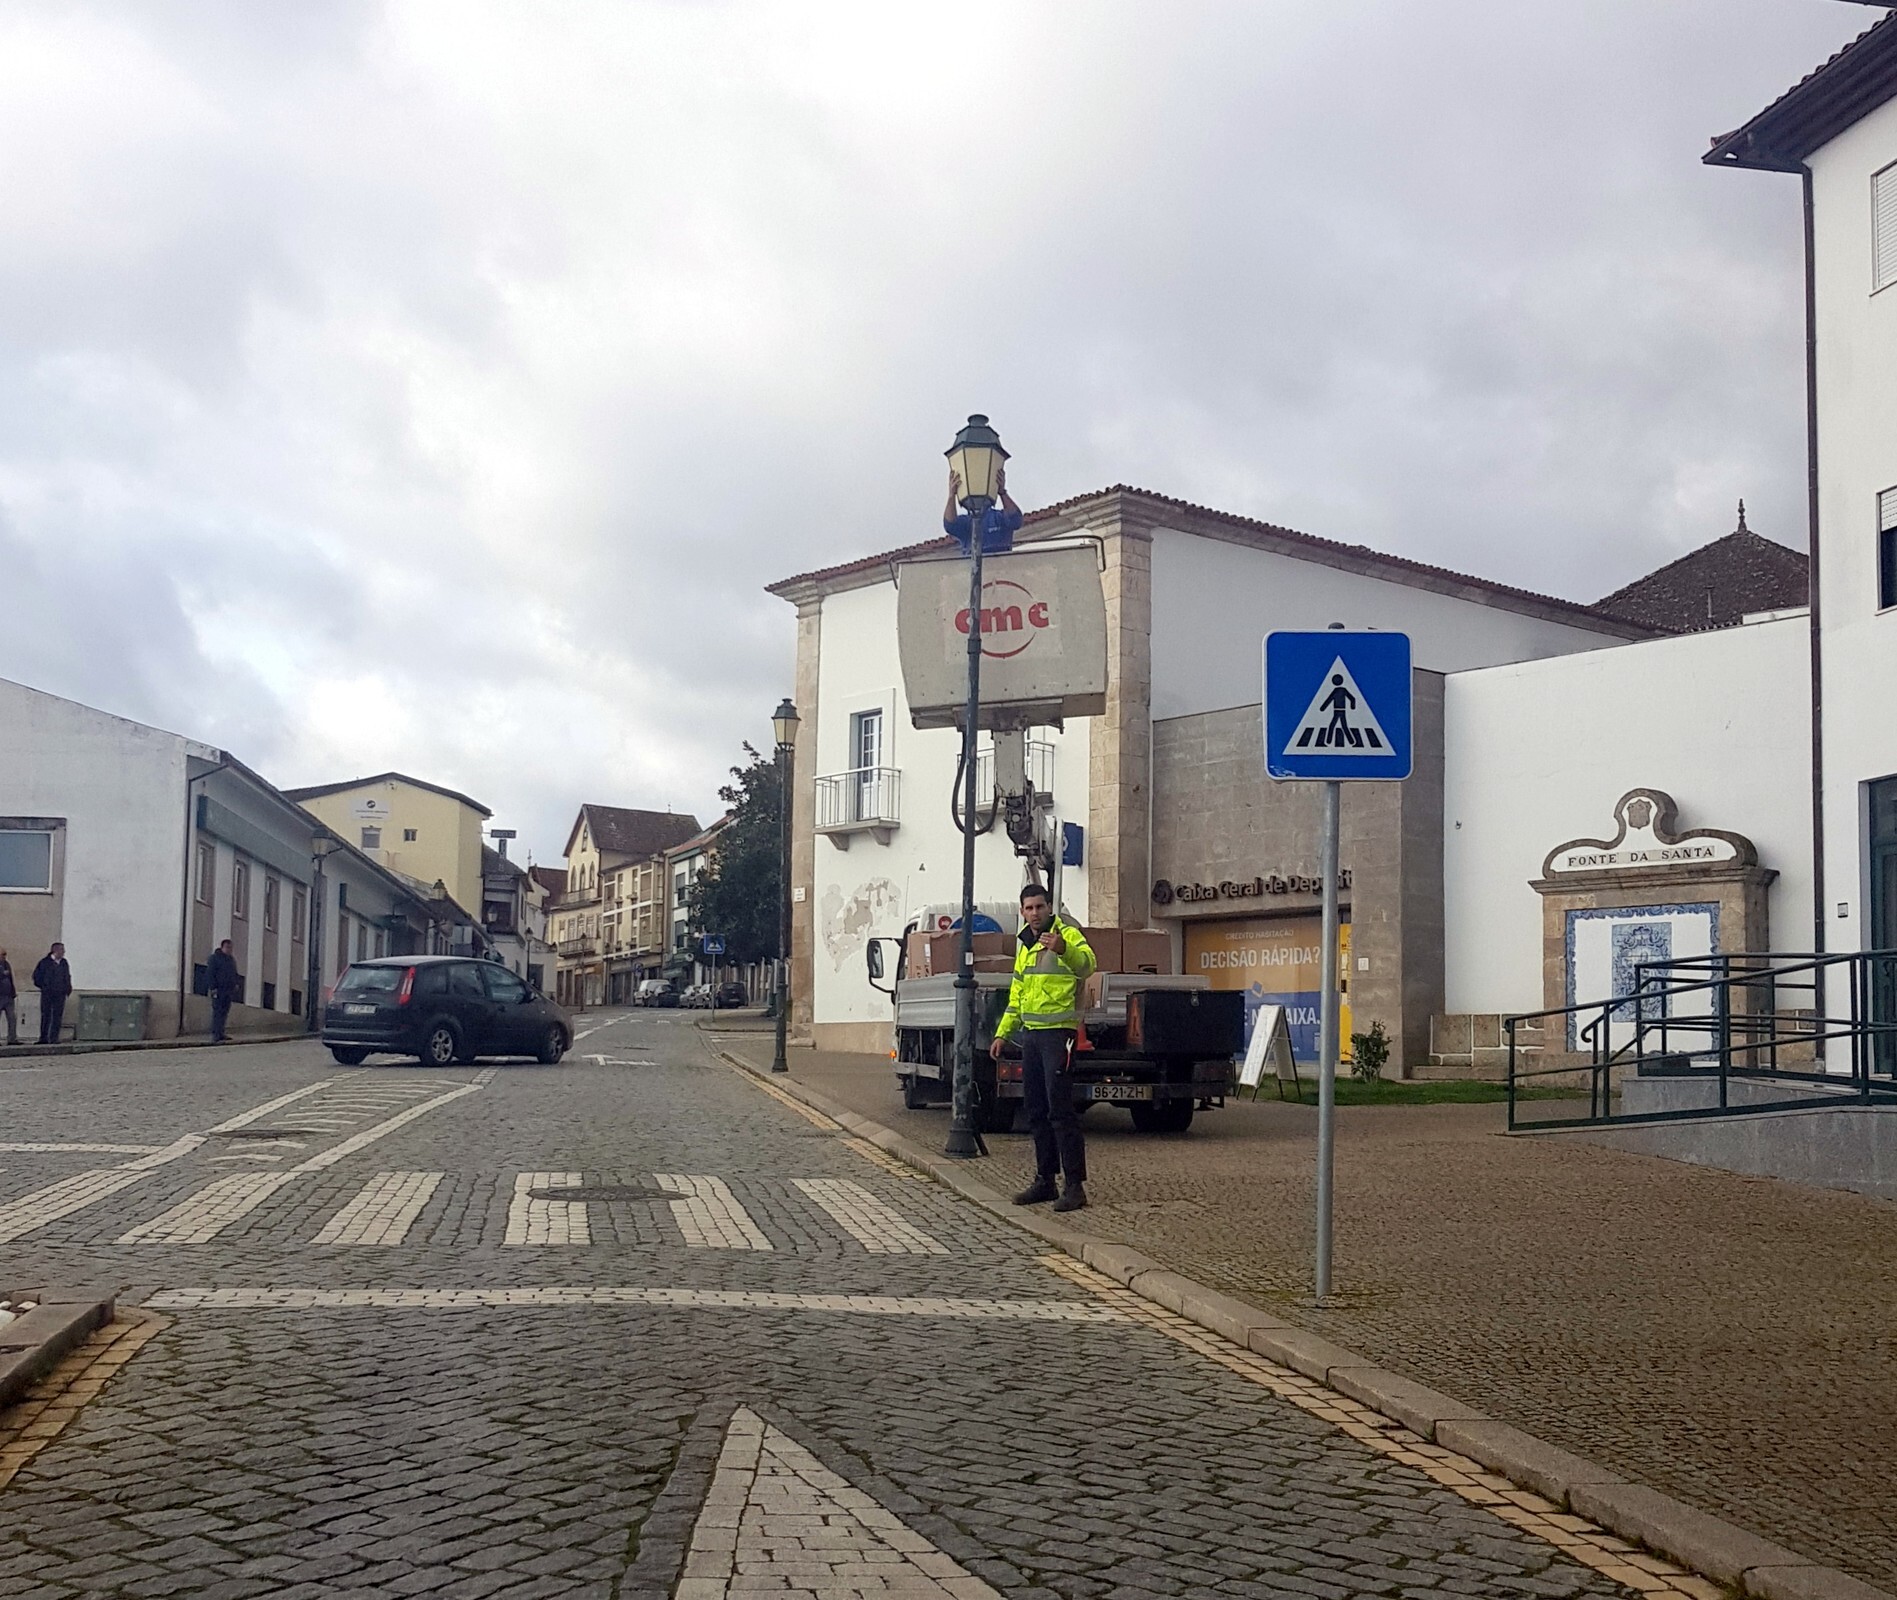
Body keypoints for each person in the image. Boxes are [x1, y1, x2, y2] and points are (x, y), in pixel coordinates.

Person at [990, 883, 1097, 1213]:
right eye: (1029, 908)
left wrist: (1063, 949)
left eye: (1039, 906)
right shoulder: (1024, 944)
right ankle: (1045, 1180)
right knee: (1035, 1110)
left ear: (1050, 907)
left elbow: (1087, 966)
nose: (1035, 913)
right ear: (1022, 912)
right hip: (1032, 1036)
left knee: (1060, 1110)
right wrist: (1003, 1033)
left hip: (1059, 1035)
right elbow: (1017, 994)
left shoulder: (1068, 934)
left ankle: (1075, 1186)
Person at [942, 464, 1023, 556]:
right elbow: (950, 524)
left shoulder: (999, 518)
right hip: (972, 564)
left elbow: (1016, 519)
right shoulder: (967, 522)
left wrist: (1002, 492)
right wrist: (951, 495)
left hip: (1000, 564)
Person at [33, 942, 72, 1046]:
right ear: (55, 950)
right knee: (46, 1015)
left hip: (60, 993)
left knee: (57, 1016)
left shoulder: (64, 963)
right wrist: (44, 987)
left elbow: (67, 976)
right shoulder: (44, 962)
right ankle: (44, 1038)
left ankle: (54, 1038)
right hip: (48, 993)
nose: (64, 952)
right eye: (61, 949)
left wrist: (67, 988)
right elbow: (36, 977)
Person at [207, 938, 241, 1044]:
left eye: (230, 948)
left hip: (228, 990)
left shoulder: (231, 960)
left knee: (224, 1012)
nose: (229, 950)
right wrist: (213, 988)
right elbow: (210, 973)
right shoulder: (214, 958)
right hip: (218, 989)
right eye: (227, 947)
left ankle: (221, 1033)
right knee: (217, 1011)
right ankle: (215, 1034)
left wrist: (236, 983)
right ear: (222, 947)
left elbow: (234, 973)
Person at [0, 949, 16, 1046]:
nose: (4, 956)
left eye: (5, 955)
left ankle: (12, 1039)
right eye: (2, 954)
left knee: (12, 1018)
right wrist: (2, 973)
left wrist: (13, 992)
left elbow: (11, 978)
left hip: (8, 995)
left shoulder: (7, 964)